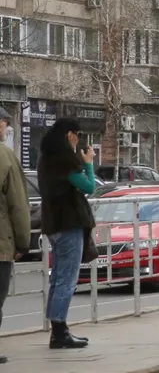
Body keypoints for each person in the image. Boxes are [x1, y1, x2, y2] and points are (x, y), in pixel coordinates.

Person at [36, 118, 94, 349]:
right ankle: (60, 331)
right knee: (67, 278)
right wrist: (88, 163)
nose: (79, 140)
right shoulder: (65, 160)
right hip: (69, 223)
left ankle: (58, 330)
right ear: (70, 135)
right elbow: (89, 186)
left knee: (59, 277)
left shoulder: (45, 159)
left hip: (53, 224)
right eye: (78, 135)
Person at [0, 107, 31, 363]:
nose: (5, 128)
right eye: (3, 123)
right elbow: (18, 204)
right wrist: (23, 241)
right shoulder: (5, 156)